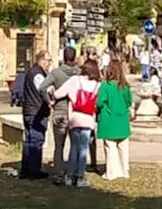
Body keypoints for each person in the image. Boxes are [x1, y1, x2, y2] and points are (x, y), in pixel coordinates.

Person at [53, 59, 102, 188]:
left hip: (74, 116)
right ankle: (80, 177)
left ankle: (69, 176)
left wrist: (52, 91)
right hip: (88, 119)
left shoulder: (75, 80)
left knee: (74, 147)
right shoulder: (97, 85)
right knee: (83, 149)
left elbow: (58, 94)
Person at [42, 47, 80, 185]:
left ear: (63, 57)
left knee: (59, 146)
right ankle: (74, 173)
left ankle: (58, 173)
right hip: (76, 112)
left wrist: (49, 101)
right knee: (75, 145)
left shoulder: (56, 73)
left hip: (60, 111)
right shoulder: (80, 73)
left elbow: (42, 87)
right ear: (74, 58)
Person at [97, 59, 133, 180]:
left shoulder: (106, 86)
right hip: (122, 119)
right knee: (123, 146)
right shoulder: (125, 87)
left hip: (109, 119)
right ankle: (124, 170)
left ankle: (111, 172)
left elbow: (100, 101)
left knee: (110, 146)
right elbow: (129, 102)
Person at [19, 51, 52, 179]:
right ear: (42, 60)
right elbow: (43, 89)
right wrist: (50, 101)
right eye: (48, 60)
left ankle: (26, 169)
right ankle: (34, 170)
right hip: (36, 112)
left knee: (29, 140)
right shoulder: (37, 74)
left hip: (29, 110)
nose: (49, 63)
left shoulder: (32, 72)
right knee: (36, 141)